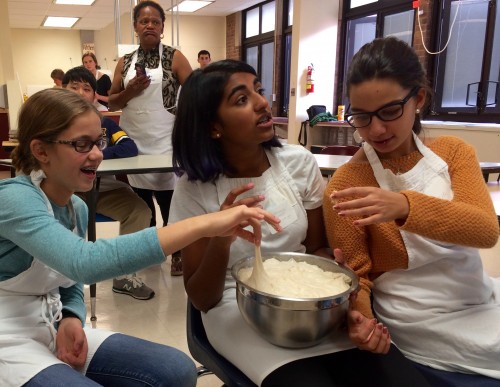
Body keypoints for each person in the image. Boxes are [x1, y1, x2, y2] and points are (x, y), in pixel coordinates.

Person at [169, 59, 432, 387]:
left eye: (258, 90)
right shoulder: (193, 190)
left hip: (309, 306)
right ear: (212, 126)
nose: (262, 103)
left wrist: (339, 294)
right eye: (241, 99)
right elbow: (202, 299)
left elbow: (316, 250)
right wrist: (221, 238)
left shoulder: (298, 163)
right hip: (236, 309)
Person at [0, 87, 281, 386]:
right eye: (82, 144)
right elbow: (82, 263)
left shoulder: (76, 208)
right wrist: (205, 224)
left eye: (99, 142)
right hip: (7, 338)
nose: (97, 154)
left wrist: (71, 315)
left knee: (177, 369)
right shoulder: (15, 198)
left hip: (51, 325)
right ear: (41, 151)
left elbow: (68, 283)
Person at [324, 36, 500, 385]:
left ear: (418, 98)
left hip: (477, 298)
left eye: (389, 111)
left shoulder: (453, 153)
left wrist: (404, 205)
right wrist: (359, 320)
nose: (376, 130)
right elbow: (357, 274)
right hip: (416, 318)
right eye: (361, 116)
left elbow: (485, 230)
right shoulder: (346, 185)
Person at [109, 0, 192, 276]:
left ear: (162, 27)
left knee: (172, 201)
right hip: (136, 142)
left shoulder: (175, 57)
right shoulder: (125, 62)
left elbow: (194, 94)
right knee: (142, 201)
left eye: (155, 21)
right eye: (144, 21)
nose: (150, 26)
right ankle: (148, 250)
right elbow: (111, 102)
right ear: (135, 26)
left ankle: (177, 251)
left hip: (167, 140)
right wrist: (129, 91)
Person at [62, 66, 156, 300]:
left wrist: (95, 154)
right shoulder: (52, 123)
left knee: (139, 211)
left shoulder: (105, 125)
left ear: (94, 96)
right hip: (63, 190)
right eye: (74, 87)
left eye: (86, 88)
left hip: (101, 188)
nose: (80, 93)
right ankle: (59, 280)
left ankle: (124, 276)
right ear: (61, 90)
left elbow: (128, 146)